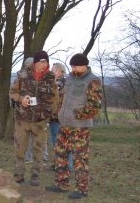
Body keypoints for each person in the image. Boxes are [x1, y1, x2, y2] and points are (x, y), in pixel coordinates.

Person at [46, 54, 102, 199]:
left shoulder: (93, 81)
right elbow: (63, 98)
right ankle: (61, 184)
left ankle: (81, 189)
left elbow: (95, 106)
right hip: (64, 125)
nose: (73, 68)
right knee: (60, 154)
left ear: (84, 65)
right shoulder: (70, 78)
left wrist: (78, 114)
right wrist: (58, 112)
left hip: (80, 127)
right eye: (71, 66)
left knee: (80, 158)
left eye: (75, 66)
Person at [9, 50, 59, 186]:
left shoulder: (50, 77)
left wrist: (52, 113)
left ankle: (35, 175)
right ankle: (19, 174)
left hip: (40, 120)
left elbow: (55, 97)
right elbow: (12, 92)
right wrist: (20, 99)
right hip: (22, 119)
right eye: (42, 62)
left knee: (39, 149)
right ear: (35, 63)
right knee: (20, 148)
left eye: (46, 62)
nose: (45, 64)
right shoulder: (22, 75)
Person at [49, 62, 73, 171]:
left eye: (53, 70)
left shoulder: (61, 80)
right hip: (55, 117)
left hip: (59, 117)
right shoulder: (62, 80)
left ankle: (67, 166)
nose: (51, 72)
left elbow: (52, 93)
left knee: (62, 142)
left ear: (59, 70)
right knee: (57, 142)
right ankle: (58, 164)